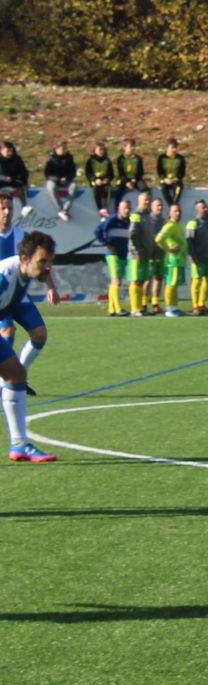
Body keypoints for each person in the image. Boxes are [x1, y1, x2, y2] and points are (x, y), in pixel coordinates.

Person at [1, 231, 59, 463]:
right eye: (42, 261)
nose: (47, 267)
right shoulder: (5, 278)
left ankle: (20, 446)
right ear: (26, 260)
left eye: (50, 261)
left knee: (16, 375)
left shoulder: (25, 273)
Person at [95, 197, 133, 317]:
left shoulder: (128, 221)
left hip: (123, 253)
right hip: (113, 254)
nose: (127, 210)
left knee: (116, 281)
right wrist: (108, 243)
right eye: (125, 208)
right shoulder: (111, 219)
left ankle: (111, 308)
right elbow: (97, 231)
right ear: (119, 209)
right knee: (116, 280)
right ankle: (118, 308)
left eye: (128, 208)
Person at [126, 191, 158, 317]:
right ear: (139, 201)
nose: (148, 202)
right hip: (136, 256)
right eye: (145, 200)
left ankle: (140, 307)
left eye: (149, 200)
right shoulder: (136, 215)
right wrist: (136, 251)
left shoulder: (149, 216)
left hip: (146, 254)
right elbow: (132, 235)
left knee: (143, 281)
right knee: (136, 281)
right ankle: (134, 309)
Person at [185, 199, 208, 315]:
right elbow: (189, 242)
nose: (206, 209)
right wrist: (193, 256)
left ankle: (201, 304)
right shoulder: (192, 223)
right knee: (197, 281)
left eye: (206, 207)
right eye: (203, 207)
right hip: (197, 258)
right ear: (197, 209)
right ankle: (195, 306)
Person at [156, 201, 187, 317]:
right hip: (171, 261)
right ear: (170, 213)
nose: (178, 213)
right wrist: (168, 249)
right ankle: (169, 309)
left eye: (179, 211)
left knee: (175, 285)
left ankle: (174, 307)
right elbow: (158, 239)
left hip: (179, 260)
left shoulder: (178, 225)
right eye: (175, 211)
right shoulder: (168, 226)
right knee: (170, 284)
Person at [34, 140, 76, 221]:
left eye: (65, 148)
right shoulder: (51, 160)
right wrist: (57, 179)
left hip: (67, 180)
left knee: (73, 186)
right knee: (50, 187)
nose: (64, 150)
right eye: (62, 149)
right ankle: (60, 209)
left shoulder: (69, 159)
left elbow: (73, 172)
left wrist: (66, 179)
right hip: (54, 180)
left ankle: (65, 209)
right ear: (56, 149)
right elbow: (47, 174)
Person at [155, 138, 188, 209]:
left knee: (179, 188)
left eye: (176, 147)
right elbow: (159, 170)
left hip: (176, 181)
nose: (174, 149)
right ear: (167, 148)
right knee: (163, 188)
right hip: (165, 180)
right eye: (172, 147)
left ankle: (174, 205)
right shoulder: (161, 157)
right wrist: (164, 179)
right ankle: (172, 207)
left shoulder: (180, 158)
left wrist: (177, 178)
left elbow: (182, 172)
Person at [114, 139, 147, 208]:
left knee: (145, 189)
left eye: (134, 146)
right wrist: (127, 182)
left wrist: (134, 179)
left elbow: (141, 171)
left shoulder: (138, 158)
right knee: (118, 190)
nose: (133, 148)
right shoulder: (120, 158)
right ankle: (117, 208)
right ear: (124, 147)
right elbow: (121, 172)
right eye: (131, 146)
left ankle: (144, 208)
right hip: (124, 179)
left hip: (136, 179)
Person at [84, 141, 114, 216]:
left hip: (105, 181)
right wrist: (94, 179)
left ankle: (106, 209)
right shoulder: (90, 161)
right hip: (95, 181)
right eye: (100, 149)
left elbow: (111, 174)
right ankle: (100, 209)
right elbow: (88, 173)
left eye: (103, 149)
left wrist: (107, 179)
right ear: (94, 150)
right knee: (96, 189)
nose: (102, 151)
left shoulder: (107, 160)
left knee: (108, 190)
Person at [0, 140, 27, 207]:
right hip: (1, 184)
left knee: (21, 189)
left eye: (11, 151)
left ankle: (24, 208)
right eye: (7, 151)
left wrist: (20, 183)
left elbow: (23, 173)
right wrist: (4, 178)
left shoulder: (17, 159)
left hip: (14, 183)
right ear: (1, 151)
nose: (10, 153)